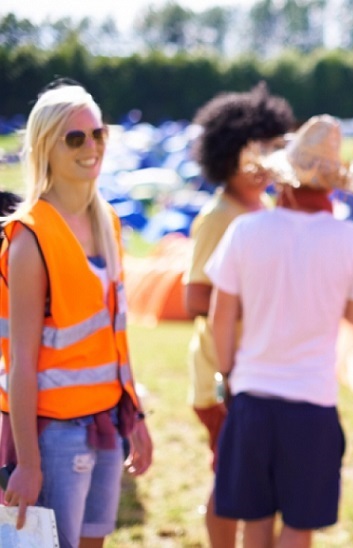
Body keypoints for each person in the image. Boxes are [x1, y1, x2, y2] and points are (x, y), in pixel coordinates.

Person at [206, 114, 353, 548]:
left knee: (255, 521)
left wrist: (225, 375)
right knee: (299, 526)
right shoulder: (351, 239)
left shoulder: (246, 230)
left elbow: (220, 318)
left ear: (282, 177)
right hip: (313, 400)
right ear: (333, 184)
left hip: (251, 394)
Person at [0, 82, 153, 548]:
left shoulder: (107, 220)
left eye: (98, 134)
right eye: (76, 138)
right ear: (47, 146)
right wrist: (27, 462)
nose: (92, 147)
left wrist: (136, 416)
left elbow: (113, 336)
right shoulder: (29, 238)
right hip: (54, 435)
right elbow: (19, 362)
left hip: (105, 421)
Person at [183, 83, 296, 548]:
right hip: (222, 378)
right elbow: (195, 299)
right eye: (261, 147)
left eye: (276, 146)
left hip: (262, 372)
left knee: (261, 482)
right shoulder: (219, 217)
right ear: (230, 151)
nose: (270, 157)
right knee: (232, 483)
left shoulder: (266, 208)